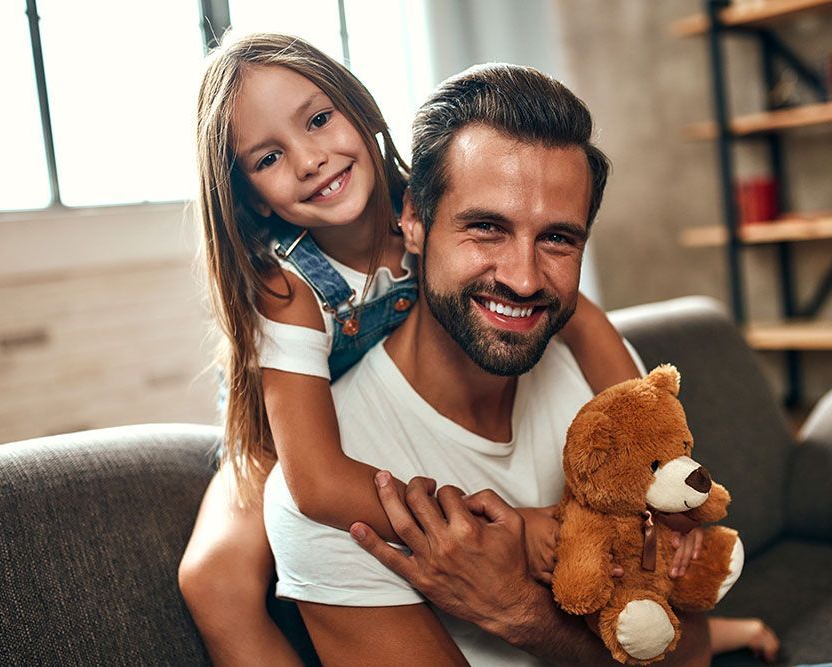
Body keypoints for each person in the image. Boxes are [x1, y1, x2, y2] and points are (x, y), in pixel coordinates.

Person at [262, 63, 775, 665]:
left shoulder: (606, 389)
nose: (525, 278)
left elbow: (689, 651)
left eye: (558, 238)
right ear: (413, 220)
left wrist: (517, 612)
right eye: (486, 228)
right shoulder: (338, 490)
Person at [177, 32, 650, 666]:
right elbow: (315, 480)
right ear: (248, 197)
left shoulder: (434, 197)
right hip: (278, 432)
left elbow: (585, 324)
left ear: (362, 111)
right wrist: (494, 525)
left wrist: (652, 455)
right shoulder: (285, 289)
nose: (310, 159)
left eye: (318, 120)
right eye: (267, 158)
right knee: (212, 582)